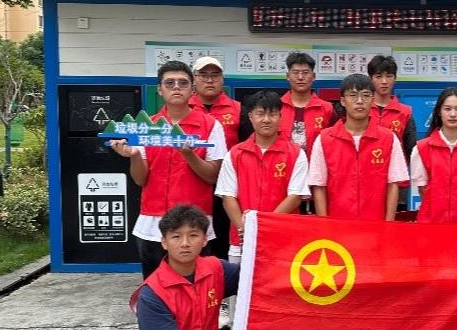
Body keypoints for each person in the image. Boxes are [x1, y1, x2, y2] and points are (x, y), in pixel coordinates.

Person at [110, 61, 226, 279]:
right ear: (159, 89)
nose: (176, 87)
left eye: (183, 83)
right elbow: (140, 179)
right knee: (155, 287)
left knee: (195, 286)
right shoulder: (147, 127)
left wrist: (189, 154)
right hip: (152, 225)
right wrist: (134, 155)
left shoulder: (211, 125)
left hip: (195, 224)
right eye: (169, 83)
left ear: (192, 89)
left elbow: (212, 176)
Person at [216, 89, 310, 265]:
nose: (266, 119)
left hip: (283, 239)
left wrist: (264, 228)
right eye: (260, 114)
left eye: (272, 114)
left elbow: (295, 196)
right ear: (250, 117)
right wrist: (246, 230)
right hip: (241, 240)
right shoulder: (235, 153)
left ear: (280, 117)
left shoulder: (295, 153)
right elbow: (227, 196)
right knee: (240, 282)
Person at [308, 73, 409, 220]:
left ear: (373, 100)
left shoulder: (388, 138)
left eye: (366, 95)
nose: (360, 101)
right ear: (343, 101)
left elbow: (393, 184)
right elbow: (319, 185)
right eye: (353, 95)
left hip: (375, 224)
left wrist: (388, 225)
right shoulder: (324, 139)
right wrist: (325, 225)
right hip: (338, 224)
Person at [189, 56, 242, 262]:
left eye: (215, 75)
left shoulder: (238, 110)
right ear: (194, 80)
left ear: (223, 80)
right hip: (193, 185)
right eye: (203, 75)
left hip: (227, 190)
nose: (209, 80)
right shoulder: (184, 108)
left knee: (222, 241)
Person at [410, 87, 457, 223]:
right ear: (439, 112)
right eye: (447, 109)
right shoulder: (422, 148)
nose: (453, 114)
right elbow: (422, 189)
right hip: (431, 223)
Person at [368, 55, 417, 212]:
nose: (384, 81)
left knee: (394, 222)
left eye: (389, 76)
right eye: (378, 76)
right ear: (370, 79)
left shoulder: (405, 113)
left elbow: (411, 150)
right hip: (366, 182)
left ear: (395, 78)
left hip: (397, 184)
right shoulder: (361, 110)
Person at [278, 52, 336, 157]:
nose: (300, 77)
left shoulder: (327, 109)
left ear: (313, 76)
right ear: (288, 76)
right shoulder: (277, 107)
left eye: (305, 72)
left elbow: (334, 142)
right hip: (282, 165)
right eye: (295, 72)